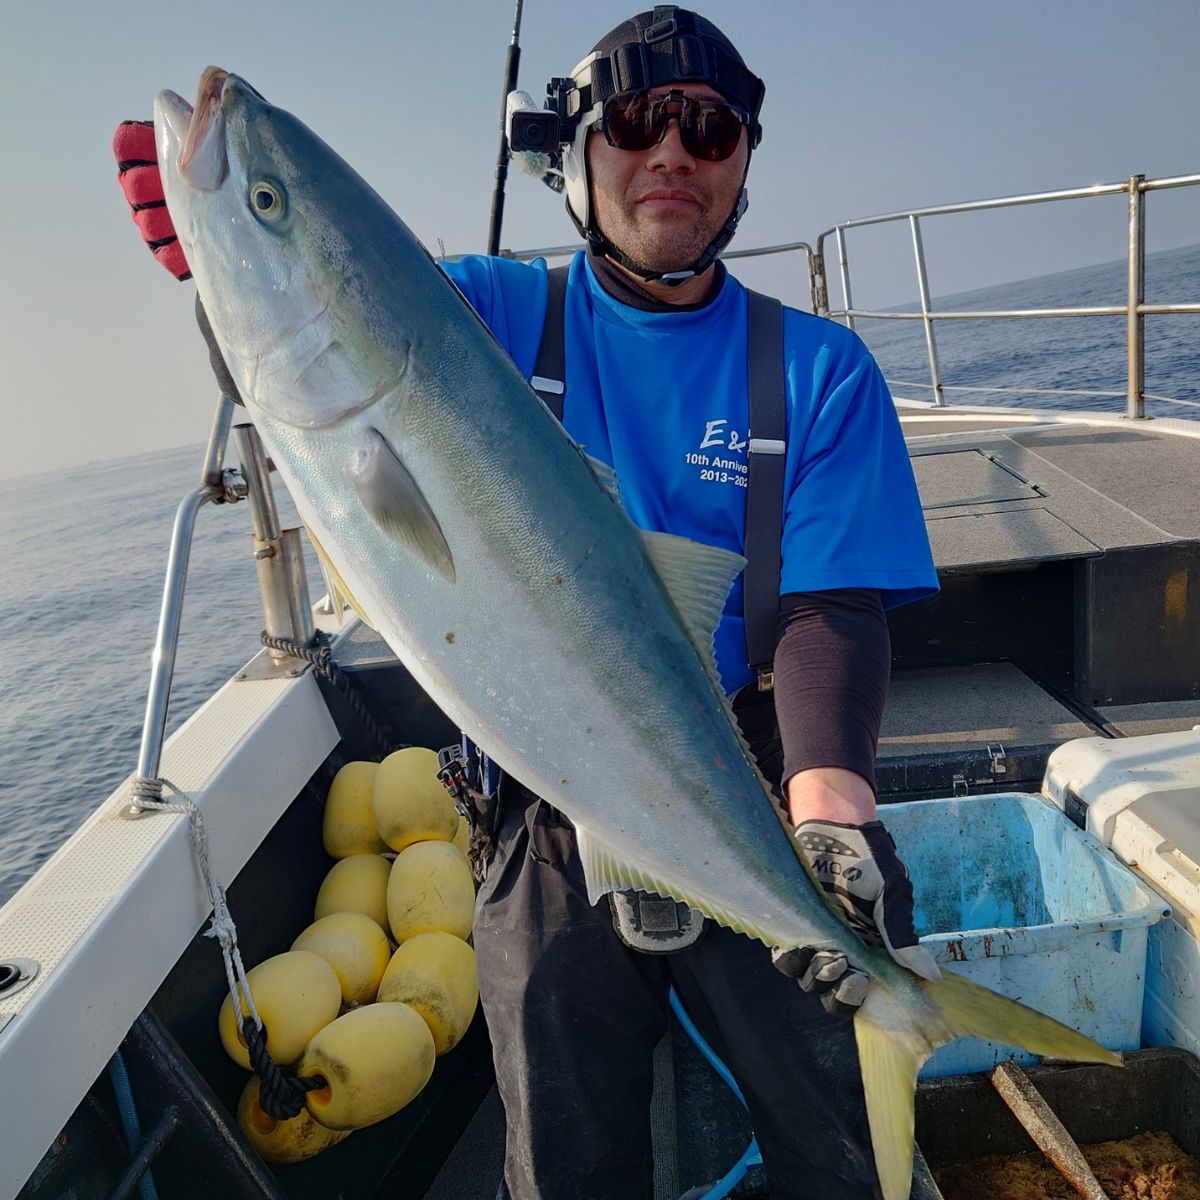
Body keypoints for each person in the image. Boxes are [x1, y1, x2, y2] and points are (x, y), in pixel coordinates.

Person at [113, 9, 939, 1198]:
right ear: (580, 155)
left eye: (707, 130)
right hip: (544, 765)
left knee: (840, 1127)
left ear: (744, 160)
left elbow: (830, 612)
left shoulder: (818, 370)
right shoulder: (480, 315)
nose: (671, 155)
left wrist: (829, 815)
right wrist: (217, 266)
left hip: (754, 762)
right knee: (558, 1134)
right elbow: (308, 335)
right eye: (638, 125)